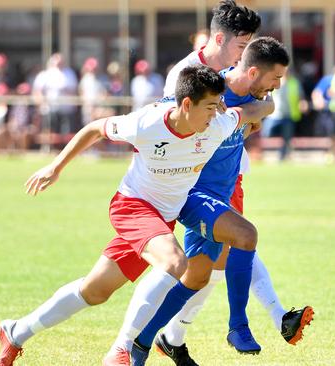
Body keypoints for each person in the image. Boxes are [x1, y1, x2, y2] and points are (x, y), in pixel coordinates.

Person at [0, 64, 273, 366]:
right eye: (209, 107)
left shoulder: (217, 124)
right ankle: (123, 348)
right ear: (186, 104)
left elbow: (253, 112)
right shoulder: (146, 123)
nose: (214, 113)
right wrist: (55, 167)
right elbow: (94, 129)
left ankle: (16, 332)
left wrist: (265, 104)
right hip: (133, 207)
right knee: (175, 262)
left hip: (167, 215)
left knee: (96, 290)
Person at [120, 38, 312, 366]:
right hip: (192, 193)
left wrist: (257, 110)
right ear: (253, 72)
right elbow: (168, 109)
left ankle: (143, 340)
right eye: (275, 78)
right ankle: (238, 325)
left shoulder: (254, 95)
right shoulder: (212, 88)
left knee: (198, 276)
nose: (278, 86)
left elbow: (256, 119)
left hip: (219, 194)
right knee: (245, 235)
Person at [262, 69, 308, 160]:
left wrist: (302, 104)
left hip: (289, 115)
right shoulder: (274, 82)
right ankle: (260, 153)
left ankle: (282, 156)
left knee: (287, 138)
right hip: (274, 114)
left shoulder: (295, 83)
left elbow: (301, 97)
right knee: (266, 132)